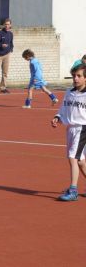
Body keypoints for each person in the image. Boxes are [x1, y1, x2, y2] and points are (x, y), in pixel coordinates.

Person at [51, 64, 86, 201]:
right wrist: (57, 117)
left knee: (73, 158)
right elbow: (63, 109)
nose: (75, 79)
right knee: (81, 161)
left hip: (82, 128)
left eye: (79, 76)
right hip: (71, 129)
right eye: (74, 76)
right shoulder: (69, 93)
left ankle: (73, 190)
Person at [0, 18, 14, 94]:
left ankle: (3, 87)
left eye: (8, 24)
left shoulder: (11, 34)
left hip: (7, 55)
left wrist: (11, 49)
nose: (7, 25)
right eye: (5, 24)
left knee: (5, 72)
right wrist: (1, 45)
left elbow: (11, 43)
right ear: (4, 24)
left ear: (10, 25)